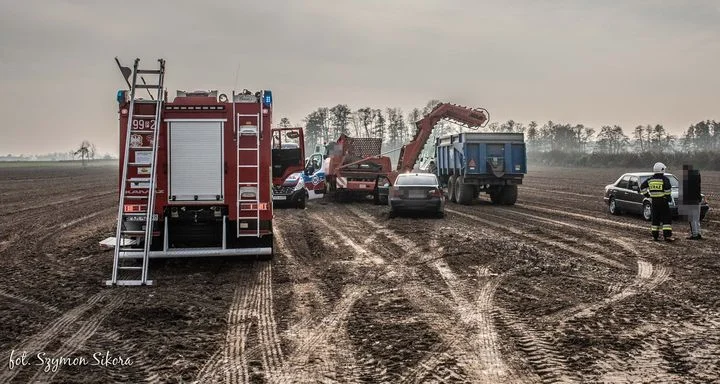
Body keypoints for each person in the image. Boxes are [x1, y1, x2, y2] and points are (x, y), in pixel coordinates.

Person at [640, 162, 674, 241]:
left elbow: (642, 187)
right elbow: (668, 190)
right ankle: (667, 236)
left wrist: (647, 195)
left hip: (654, 202)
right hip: (663, 201)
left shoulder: (650, 179)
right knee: (666, 219)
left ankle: (655, 236)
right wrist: (668, 198)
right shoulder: (664, 179)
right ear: (662, 170)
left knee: (655, 219)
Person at [682, 165, 703, 240]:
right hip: (697, 199)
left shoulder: (687, 180)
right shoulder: (697, 178)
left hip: (691, 200)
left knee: (692, 219)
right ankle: (698, 233)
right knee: (697, 218)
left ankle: (694, 235)